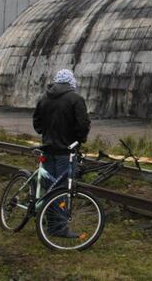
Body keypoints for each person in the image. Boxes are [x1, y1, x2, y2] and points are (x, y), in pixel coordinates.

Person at [32, 68, 91, 238]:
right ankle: (57, 228)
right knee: (62, 189)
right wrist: (79, 140)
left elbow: (36, 122)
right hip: (66, 151)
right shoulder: (76, 99)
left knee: (49, 187)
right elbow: (83, 125)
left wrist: (46, 134)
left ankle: (49, 220)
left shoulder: (44, 98)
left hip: (47, 149)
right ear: (71, 82)